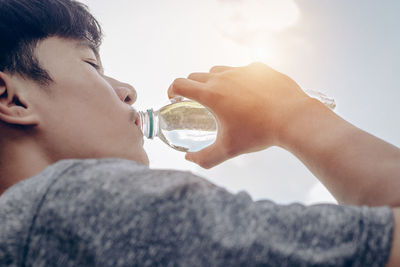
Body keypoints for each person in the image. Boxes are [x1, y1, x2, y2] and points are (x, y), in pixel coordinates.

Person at [0, 0, 399, 266]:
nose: (127, 91)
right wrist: (291, 114)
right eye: (91, 64)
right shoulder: (89, 205)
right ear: (11, 99)